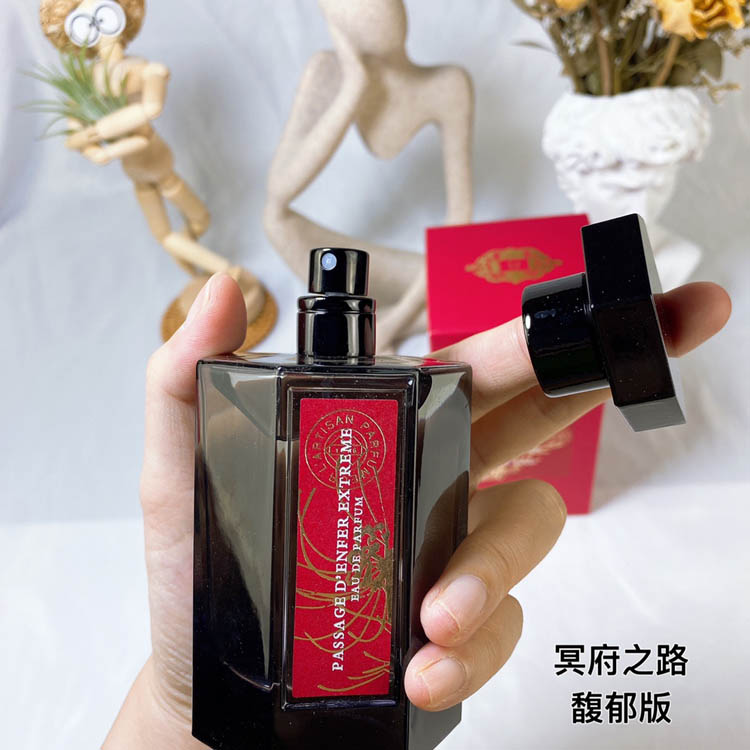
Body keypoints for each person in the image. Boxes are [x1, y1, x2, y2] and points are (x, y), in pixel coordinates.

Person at [102, 273, 730, 747]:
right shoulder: (239, 391)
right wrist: (172, 713)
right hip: (231, 714)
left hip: (281, 713)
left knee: (448, 615)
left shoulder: (422, 389)